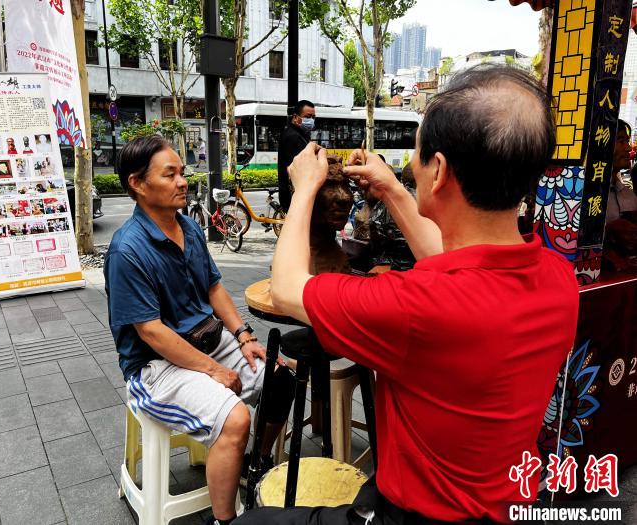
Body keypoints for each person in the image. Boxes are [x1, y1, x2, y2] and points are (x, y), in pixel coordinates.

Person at [236, 65, 579, 524]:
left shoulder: (416, 304)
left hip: (417, 515)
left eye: (416, 155)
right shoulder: (559, 279)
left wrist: (303, 191)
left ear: (438, 171)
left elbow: (287, 289)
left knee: (255, 522)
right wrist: (393, 190)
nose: (408, 165)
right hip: (509, 505)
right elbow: (456, 257)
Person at [104, 136, 294, 525]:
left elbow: (213, 287)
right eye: (169, 174)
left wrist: (244, 336)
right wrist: (212, 371)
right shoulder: (127, 250)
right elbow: (152, 332)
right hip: (155, 367)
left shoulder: (188, 227)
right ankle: (224, 521)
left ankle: (250, 464)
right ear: (138, 183)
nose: (182, 181)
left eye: (182, 173)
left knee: (280, 376)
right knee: (235, 418)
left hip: (209, 342)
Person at [602, 119, 637, 273]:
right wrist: (608, 231)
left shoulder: (629, 195)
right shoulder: (578, 194)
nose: (628, 147)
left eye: (627, 141)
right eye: (621, 140)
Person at [277, 100, 315, 212]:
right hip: (295, 196)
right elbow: (300, 167)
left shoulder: (299, 135)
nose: (311, 120)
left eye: (313, 117)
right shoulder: (293, 137)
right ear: (295, 117)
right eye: (308, 117)